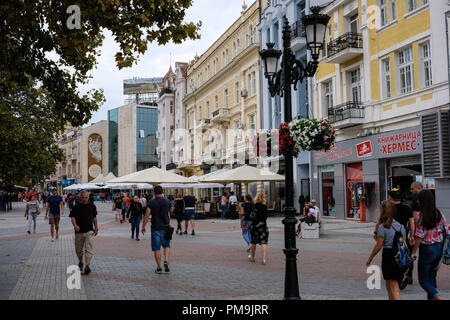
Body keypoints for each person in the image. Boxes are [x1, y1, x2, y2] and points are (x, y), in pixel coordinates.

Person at [411, 190, 450, 300]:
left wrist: (414, 252)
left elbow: (419, 236)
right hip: (438, 248)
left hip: (426, 249)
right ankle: (433, 297)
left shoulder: (420, 216)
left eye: (419, 199)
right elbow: (446, 231)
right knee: (432, 278)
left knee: (423, 280)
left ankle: (437, 296)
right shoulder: (439, 214)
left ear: (422, 201)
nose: (417, 201)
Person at [366, 200, 405, 300]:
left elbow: (379, 245)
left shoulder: (383, 227)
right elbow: (403, 244)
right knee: (389, 284)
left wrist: (370, 258)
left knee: (393, 285)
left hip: (388, 256)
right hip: (399, 257)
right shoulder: (401, 226)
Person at [141, 185, 172, 274]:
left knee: (156, 248)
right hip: (166, 227)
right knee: (166, 245)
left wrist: (143, 226)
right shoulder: (167, 201)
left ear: (154, 192)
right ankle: (165, 260)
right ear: (162, 192)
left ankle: (159, 268)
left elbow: (147, 215)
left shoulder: (151, 202)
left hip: (155, 228)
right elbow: (171, 210)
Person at [388, 188, 415, 287]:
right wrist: (412, 235)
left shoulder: (388, 208)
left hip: (391, 236)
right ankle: (408, 276)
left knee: (394, 256)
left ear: (390, 197)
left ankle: (397, 276)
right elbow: (412, 222)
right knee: (406, 254)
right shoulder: (407, 208)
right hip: (404, 235)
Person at [69, 191, 98, 275]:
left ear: (88, 197)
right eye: (83, 197)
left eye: (86, 197)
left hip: (89, 230)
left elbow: (94, 218)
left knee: (88, 248)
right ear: (80, 198)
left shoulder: (92, 206)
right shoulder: (76, 207)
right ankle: (81, 262)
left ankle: (87, 266)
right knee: (79, 250)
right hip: (79, 232)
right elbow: (72, 217)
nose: (85, 199)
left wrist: (96, 228)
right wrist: (75, 225)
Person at [244, 193, 269, 265]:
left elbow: (247, 215)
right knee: (263, 242)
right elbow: (265, 217)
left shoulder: (253, 206)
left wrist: (245, 223)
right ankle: (263, 259)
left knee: (254, 242)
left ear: (256, 198)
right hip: (263, 226)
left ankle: (252, 257)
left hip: (254, 226)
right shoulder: (264, 207)